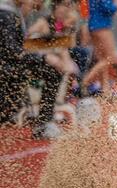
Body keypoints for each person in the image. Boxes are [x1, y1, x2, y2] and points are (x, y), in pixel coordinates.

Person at [0, 0, 73, 139]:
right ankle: (44, 123)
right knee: (54, 68)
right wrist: (44, 56)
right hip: (9, 68)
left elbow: (20, 45)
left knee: (60, 63)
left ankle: (47, 119)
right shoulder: (10, 14)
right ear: (56, 8)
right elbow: (16, 48)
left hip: (16, 64)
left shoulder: (17, 13)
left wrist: (62, 42)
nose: (66, 10)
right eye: (64, 6)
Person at [80, 0, 117, 96]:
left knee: (101, 59)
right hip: (102, 26)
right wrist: (116, 4)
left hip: (93, 25)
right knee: (110, 58)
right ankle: (85, 81)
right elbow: (110, 8)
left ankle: (105, 90)